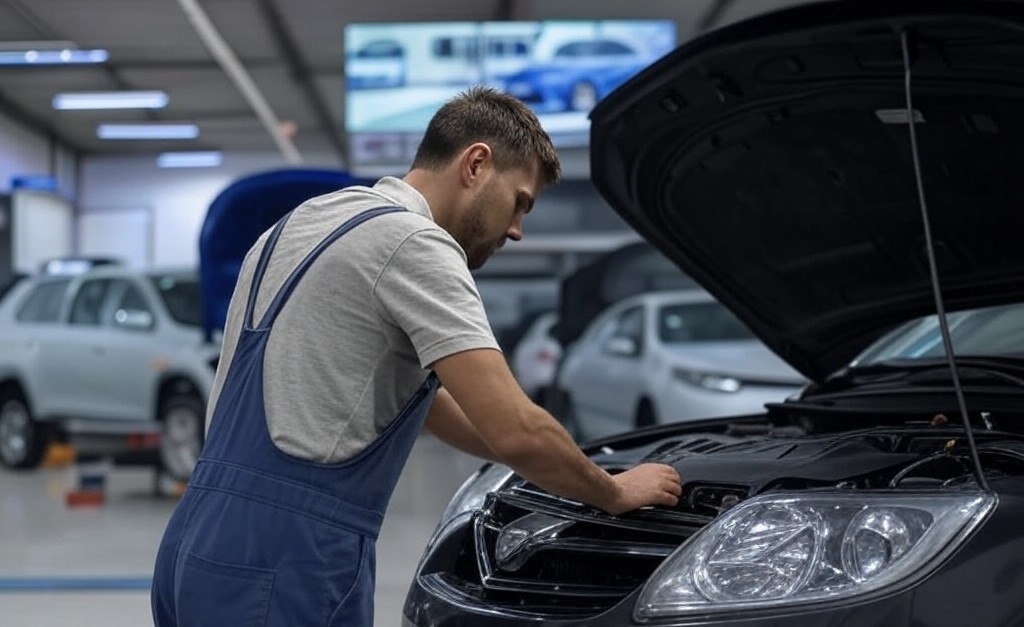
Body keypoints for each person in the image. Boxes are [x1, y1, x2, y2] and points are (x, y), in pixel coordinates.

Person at [151, 85, 682, 627]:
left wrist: (563, 467)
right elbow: (515, 427)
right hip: (285, 557)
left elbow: (436, 407)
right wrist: (612, 490)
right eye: (520, 202)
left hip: (194, 540)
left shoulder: (301, 225)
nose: (517, 230)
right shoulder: (414, 244)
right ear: (476, 164)